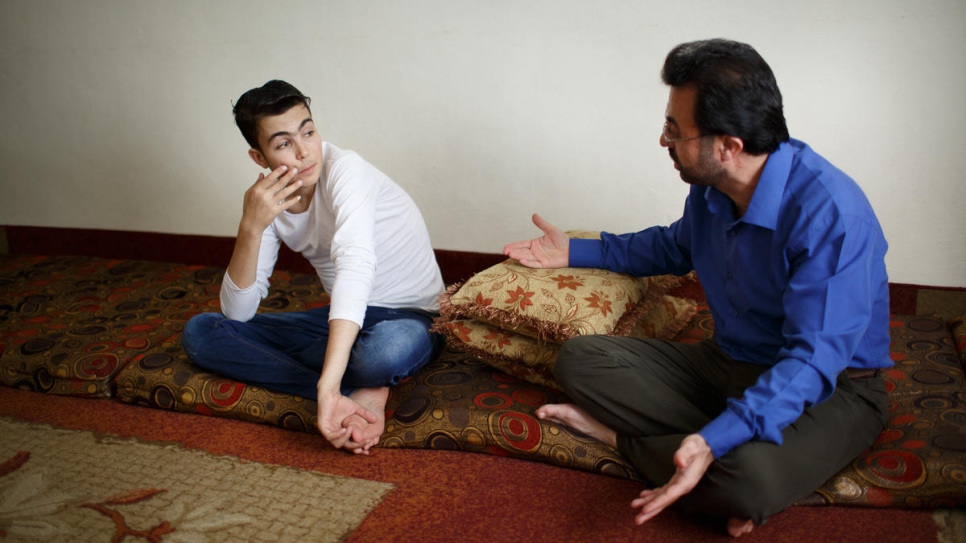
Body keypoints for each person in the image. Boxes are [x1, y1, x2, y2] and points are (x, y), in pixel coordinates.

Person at [503, 39, 890, 537]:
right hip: (731, 363)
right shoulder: (712, 188)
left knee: (746, 480)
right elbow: (673, 246)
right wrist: (573, 252)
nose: (663, 140)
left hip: (833, 388)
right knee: (581, 360)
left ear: (727, 146)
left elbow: (812, 361)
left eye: (673, 128)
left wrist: (712, 442)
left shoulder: (831, 213)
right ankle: (721, 442)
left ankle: (626, 441)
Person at [182, 80, 445, 454]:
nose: (306, 152)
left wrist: (326, 386)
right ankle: (357, 390)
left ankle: (339, 382)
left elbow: (355, 267)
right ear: (259, 158)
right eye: (284, 143)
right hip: (343, 316)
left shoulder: (346, 170)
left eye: (308, 131)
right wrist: (251, 226)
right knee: (202, 332)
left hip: (412, 317)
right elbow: (238, 313)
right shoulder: (270, 200)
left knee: (384, 354)